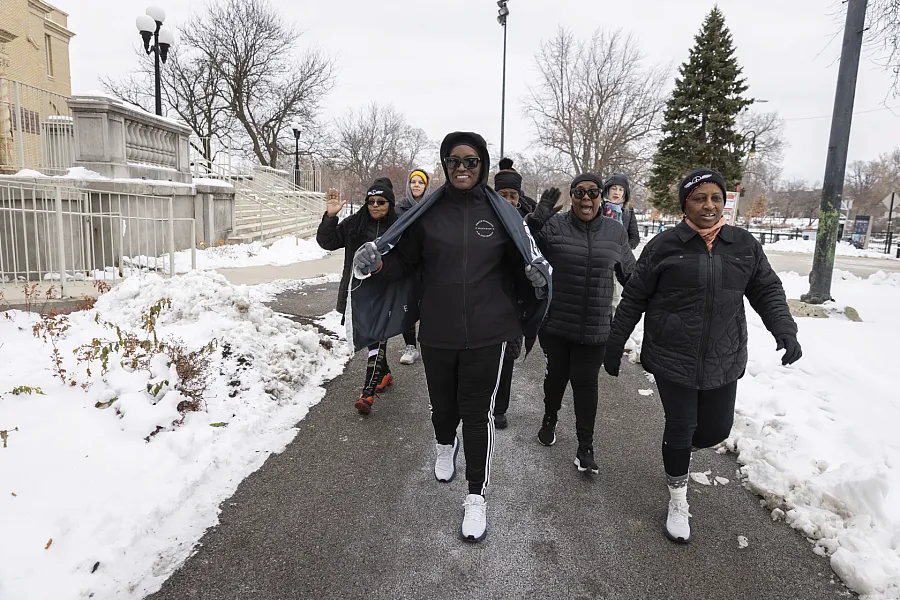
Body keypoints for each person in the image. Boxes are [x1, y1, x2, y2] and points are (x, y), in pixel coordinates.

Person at [351, 132, 551, 543]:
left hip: (488, 332)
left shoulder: (500, 213)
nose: (462, 168)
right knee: (443, 407)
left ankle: (475, 496)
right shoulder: (428, 213)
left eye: (471, 161)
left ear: (483, 166)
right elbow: (405, 262)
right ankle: (445, 444)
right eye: (454, 161)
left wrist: (535, 277)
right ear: (445, 165)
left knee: (476, 415)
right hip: (438, 329)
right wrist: (374, 266)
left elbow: (522, 262)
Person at [604, 167, 801, 544]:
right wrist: (615, 344)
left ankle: (680, 446)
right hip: (671, 356)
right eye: (699, 198)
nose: (709, 205)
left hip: (723, 356)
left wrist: (785, 330)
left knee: (714, 431)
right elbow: (634, 298)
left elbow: (767, 291)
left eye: (716, 198)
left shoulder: (743, 245)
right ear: (685, 204)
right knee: (681, 428)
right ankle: (678, 498)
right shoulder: (663, 246)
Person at [526, 174, 636, 474]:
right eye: (579, 193)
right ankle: (550, 417)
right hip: (557, 323)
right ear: (572, 195)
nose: (586, 199)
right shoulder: (555, 226)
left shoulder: (614, 231)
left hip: (597, 326)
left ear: (601, 196)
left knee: (586, 385)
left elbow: (631, 276)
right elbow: (525, 252)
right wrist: (536, 221)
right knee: (556, 377)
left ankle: (585, 447)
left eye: (592, 193)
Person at [316, 178, 398, 415]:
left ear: (389, 204)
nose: (375, 205)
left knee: (378, 337)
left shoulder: (398, 227)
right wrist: (330, 217)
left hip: (386, 291)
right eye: (370, 201)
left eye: (381, 201)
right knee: (373, 337)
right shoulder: (355, 224)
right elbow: (327, 242)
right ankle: (385, 373)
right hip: (358, 292)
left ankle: (367, 393)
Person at [491, 162, 532, 430]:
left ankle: (499, 408)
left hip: (514, 302)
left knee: (507, 358)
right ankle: (483, 402)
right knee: (485, 358)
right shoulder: (483, 218)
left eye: (513, 196)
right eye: (503, 195)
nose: (508, 200)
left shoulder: (527, 222)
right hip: (486, 300)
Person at [395, 169, 430, 365]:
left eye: (420, 182)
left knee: (429, 305)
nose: (416, 185)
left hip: (429, 265)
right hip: (406, 264)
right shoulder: (400, 209)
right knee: (406, 306)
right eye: (413, 182)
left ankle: (428, 344)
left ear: (426, 186)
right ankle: (410, 347)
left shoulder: (433, 207)